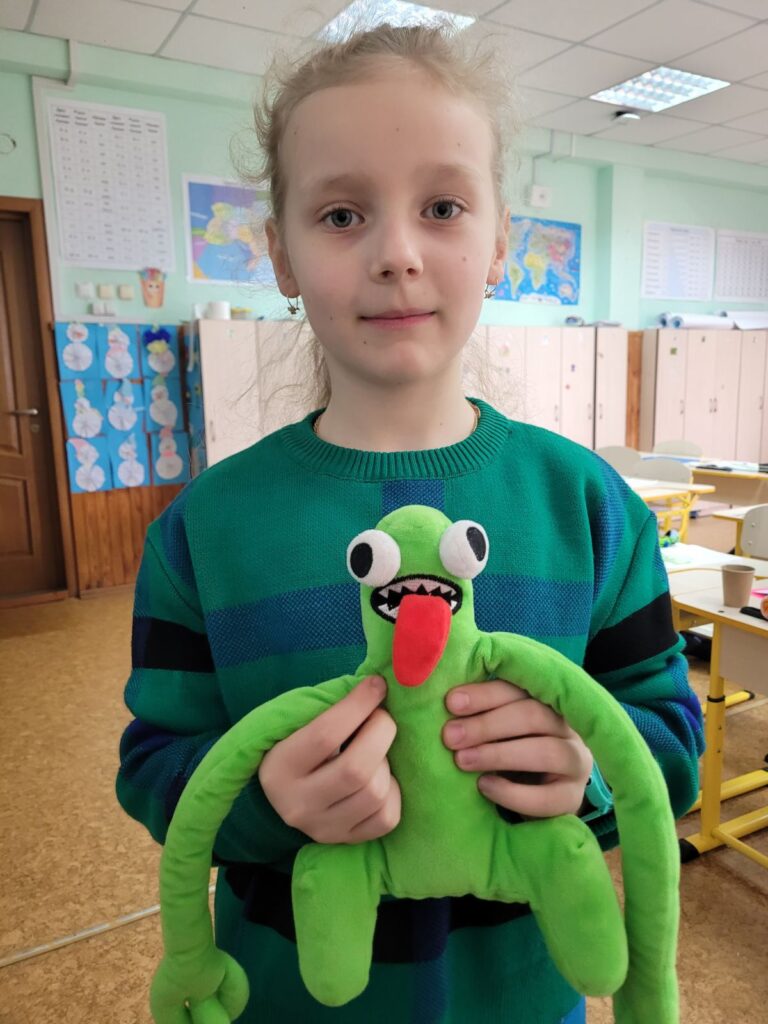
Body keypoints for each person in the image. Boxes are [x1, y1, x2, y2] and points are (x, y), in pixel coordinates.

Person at [116, 22, 704, 1024]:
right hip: (288, 999)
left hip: (525, 1001)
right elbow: (154, 765)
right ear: (282, 255)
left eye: (442, 207)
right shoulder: (203, 530)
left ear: (500, 241)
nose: (396, 254)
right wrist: (264, 802)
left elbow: (672, 739)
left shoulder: (588, 505)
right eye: (342, 214)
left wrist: (590, 770)